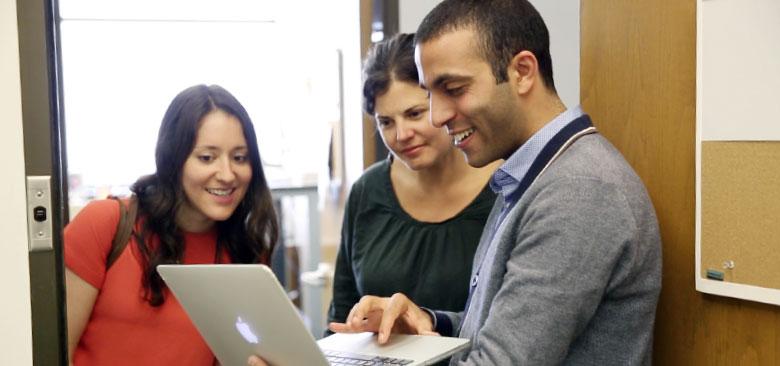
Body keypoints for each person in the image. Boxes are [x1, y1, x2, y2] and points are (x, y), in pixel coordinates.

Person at [326, 0, 663, 365]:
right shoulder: (534, 175)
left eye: (453, 89)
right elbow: (496, 330)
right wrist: (430, 321)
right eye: (431, 95)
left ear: (521, 71)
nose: (438, 116)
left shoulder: (579, 191)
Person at [65, 84, 279, 366]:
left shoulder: (246, 254)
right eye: (207, 157)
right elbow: (50, 350)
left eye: (240, 158)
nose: (227, 174)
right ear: (173, 159)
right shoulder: (104, 223)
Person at [326, 33, 500, 334]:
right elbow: (341, 316)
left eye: (415, 114)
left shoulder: (504, 188)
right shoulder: (367, 191)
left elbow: (516, 326)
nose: (401, 134)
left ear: (446, 102)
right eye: (386, 122)